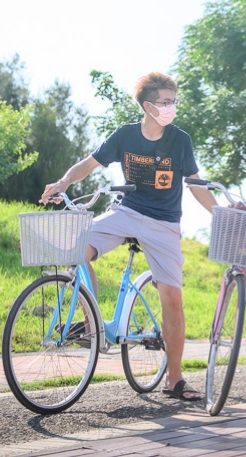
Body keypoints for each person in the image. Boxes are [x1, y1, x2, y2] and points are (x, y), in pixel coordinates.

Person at [41, 72, 217, 402]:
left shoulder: (180, 140)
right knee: (75, 249)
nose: (172, 107)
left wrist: (218, 213)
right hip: (126, 212)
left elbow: (194, 183)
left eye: (173, 101)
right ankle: (92, 322)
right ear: (148, 106)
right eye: (166, 102)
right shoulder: (125, 135)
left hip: (164, 223)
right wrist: (62, 183)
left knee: (172, 300)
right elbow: (89, 164)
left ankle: (175, 379)